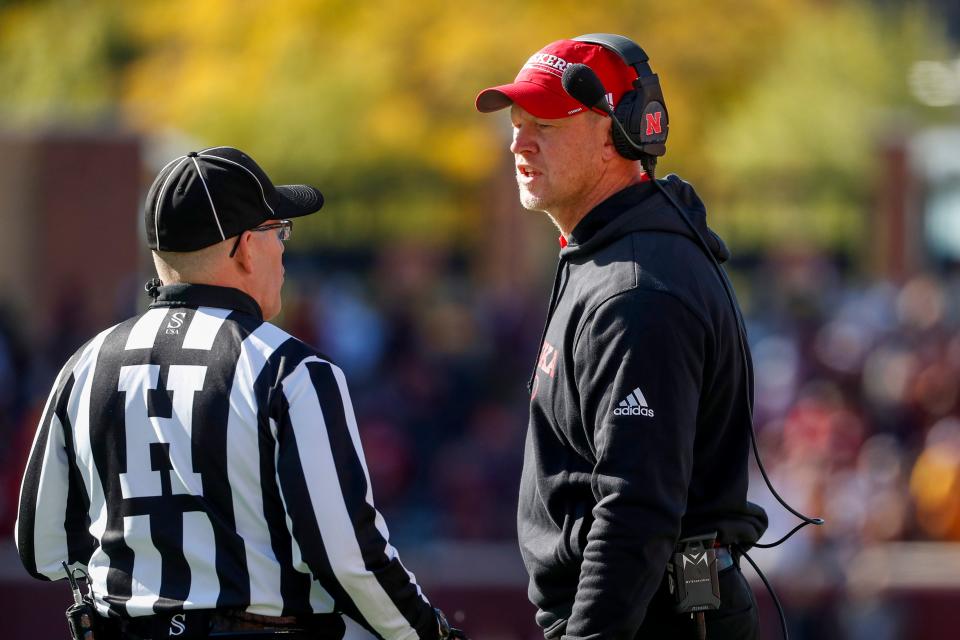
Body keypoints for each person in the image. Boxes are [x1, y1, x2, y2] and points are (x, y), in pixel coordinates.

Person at [15, 147, 466, 640]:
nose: (284, 250)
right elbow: (346, 557)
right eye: (280, 232)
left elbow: (43, 548)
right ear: (247, 247)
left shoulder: (85, 365)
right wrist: (428, 632)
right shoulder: (291, 369)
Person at [475, 36, 769, 639]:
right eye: (517, 121)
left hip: (655, 622)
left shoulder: (636, 290)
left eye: (547, 124)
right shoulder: (607, 258)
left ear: (619, 134)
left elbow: (637, 510)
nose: (518, 142)